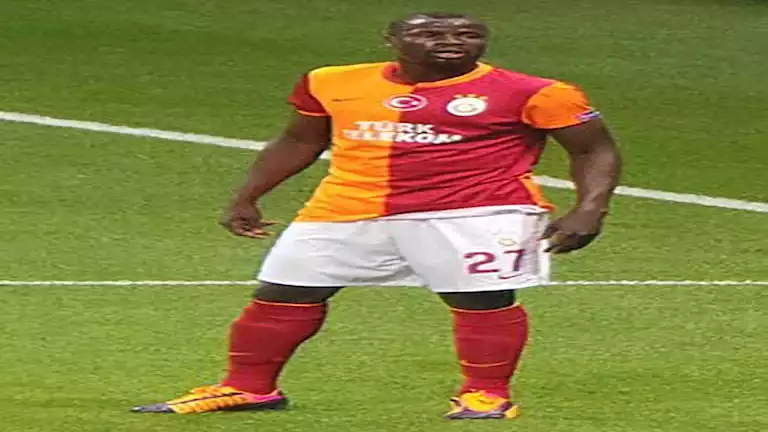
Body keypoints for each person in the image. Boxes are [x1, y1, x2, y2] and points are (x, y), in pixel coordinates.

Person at [132, 11, 621, 420]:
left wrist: (590, 209)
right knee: (282, 293)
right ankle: (248, 388)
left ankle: (486, 394)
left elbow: (593, 149)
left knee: (481, 300)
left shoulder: (536, 92)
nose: (451, 41)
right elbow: (300, 140)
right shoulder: (330, 81)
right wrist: (248, 196)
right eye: (430, 33)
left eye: (467, 34)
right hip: (345, 205)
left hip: (474, 211)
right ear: (391, 39)